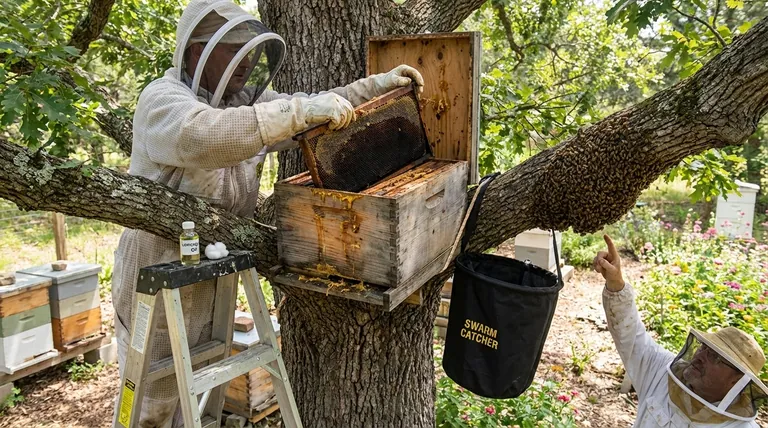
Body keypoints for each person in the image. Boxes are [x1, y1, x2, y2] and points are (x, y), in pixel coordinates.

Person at [111, 0, 424, 425]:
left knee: (198, 396)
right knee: (154, 401)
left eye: (250, 49)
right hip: (160, 271)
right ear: (195, 52)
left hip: (213, 268)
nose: (246, 61)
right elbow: (205, 136)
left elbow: (304, 106)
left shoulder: (242, 102)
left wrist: (375, 88)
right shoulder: (163, 100)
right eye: (231, 48)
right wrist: (296, 113)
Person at [594, 234, 768, 427]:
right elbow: (631, 335)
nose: (700, 356)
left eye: (716, 357)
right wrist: (616, 283)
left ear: (737, 382)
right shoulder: (662, 371)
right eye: (704, 347)